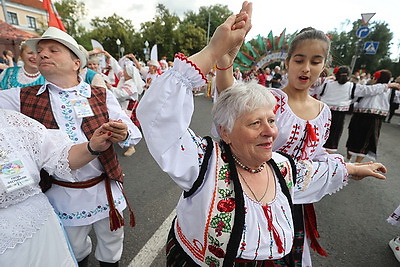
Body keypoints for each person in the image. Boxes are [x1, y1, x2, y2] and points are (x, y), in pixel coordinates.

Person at [137, 2, 387, 265]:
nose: (270, 131)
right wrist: (217, 54)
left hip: (288, 194)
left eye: (271, 120)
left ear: (324, 65)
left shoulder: (287, 165)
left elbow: (311, 168)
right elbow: (186, 114)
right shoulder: (208, 162)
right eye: (256, 123)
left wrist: (351, 168)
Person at [0, 27, 142, 267]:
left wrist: (123, 132)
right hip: (61, 194)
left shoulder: (99, 93)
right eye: (40, 51)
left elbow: (131, 131)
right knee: (73, 250)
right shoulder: (19, 97)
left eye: (53, 50)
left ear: (76, 63)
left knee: (111, 246)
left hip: (104, 189)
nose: (43, 55)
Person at [0, 108, 117, 266]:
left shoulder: (11, 121)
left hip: (42, 230)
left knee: (110, 242)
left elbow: (59, 155)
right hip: (8, 247)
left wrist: (93, 146)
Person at [319, 66, 399, 153]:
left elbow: (315, 91)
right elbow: (370, 90)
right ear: (349, 76)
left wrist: (327, 79)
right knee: (333, 139)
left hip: (322, 112)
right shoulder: (352, 86)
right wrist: (387, 85)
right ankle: (325, 160)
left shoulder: (326, 84)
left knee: (319, 134)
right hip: (339, 115)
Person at [346, 70, 394, 163]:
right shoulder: (371, 87)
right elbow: (367, 91)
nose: (372, 79)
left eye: (374, 77)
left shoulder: (387, 90)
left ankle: (357, 163)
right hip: (361, 114)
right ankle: (348, 159)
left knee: (367, 140)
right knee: (353, 136)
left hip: (374, 116)